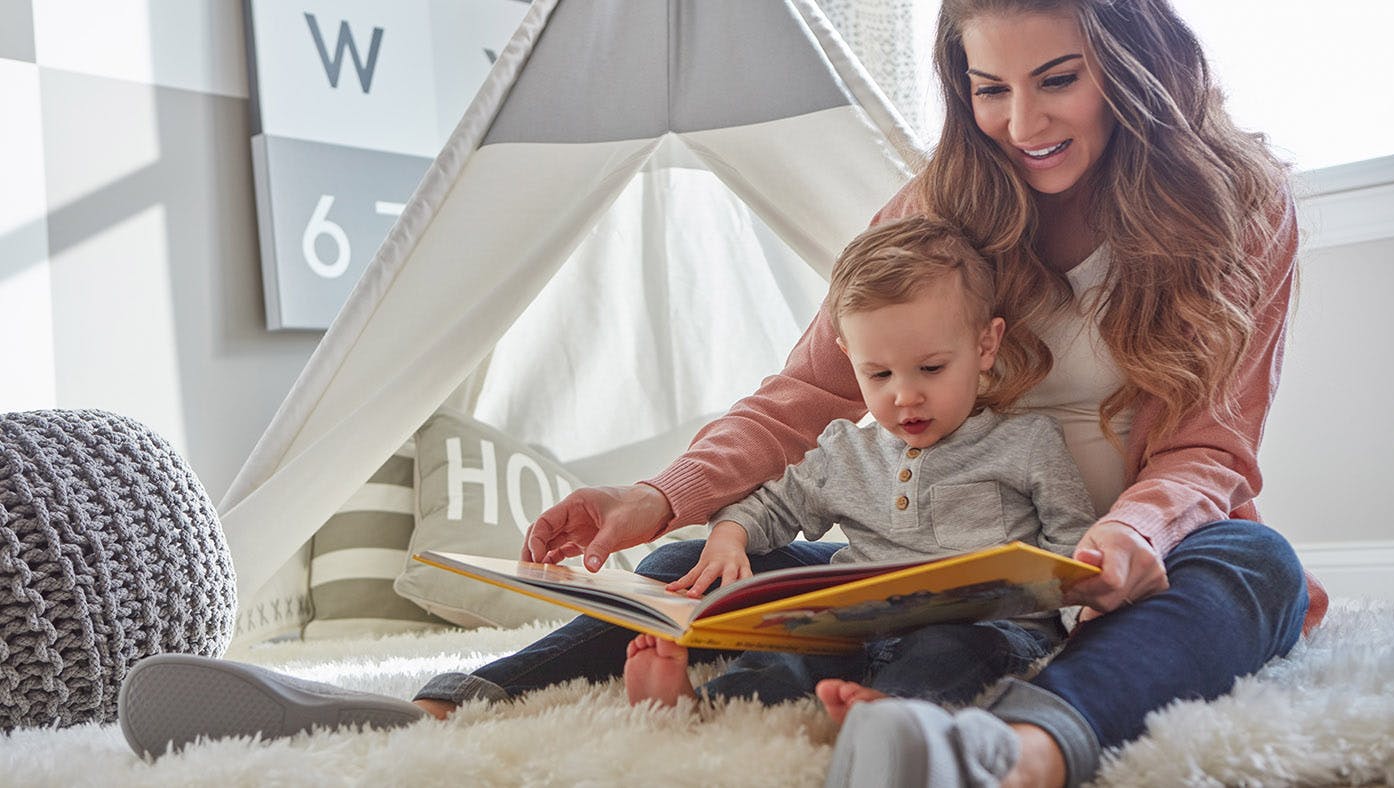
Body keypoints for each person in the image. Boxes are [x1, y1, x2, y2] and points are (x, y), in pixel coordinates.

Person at [119, 0, 1323, 784]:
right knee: (699, 569)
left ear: (1134, 59)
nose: (1018, 123)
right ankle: (439, 708)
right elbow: (803, 395)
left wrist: (1123, 534)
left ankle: (1001, 752)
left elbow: (1212, 449)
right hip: (912, 556)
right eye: (986, 88)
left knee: (1253, 565)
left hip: (1109, 563)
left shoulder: (1239, 207)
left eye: (1055, 80)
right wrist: (659, 499)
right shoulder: (939, 204)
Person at [624, 214, 1097, 711]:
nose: (904, 395)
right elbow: (774, 505)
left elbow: (1072, 545)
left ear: (985, 346)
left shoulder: (1027, 442)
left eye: (931, 369)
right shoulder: (846, 451)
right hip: (858, 623)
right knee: (789, 647)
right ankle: (701, 706)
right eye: (878, 374)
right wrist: (729, 536)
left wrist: (1083, 612)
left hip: (988, 627)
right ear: (849, 358)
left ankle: (890, 716)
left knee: (949, 651)